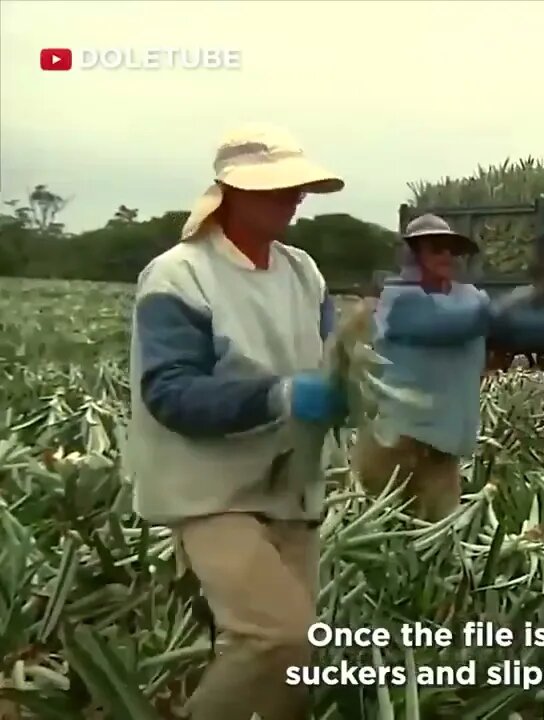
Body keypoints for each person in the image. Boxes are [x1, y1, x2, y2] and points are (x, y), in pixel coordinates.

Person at [125, 123, 348, 720]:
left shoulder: (303, 271)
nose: (293, 199)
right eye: (276, 188)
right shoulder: (180, 274)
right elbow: (170, 393)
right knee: (275, 636)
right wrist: (279, 396)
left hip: (290, 483)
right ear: (229, 190)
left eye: (297, 188)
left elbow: (327, 361)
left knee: (296, 661)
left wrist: (348, 389)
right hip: (209, 489)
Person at [352, 213, 544, 521]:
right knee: (381, 531)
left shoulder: (470, 297)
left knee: (438, 538)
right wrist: (523, 295)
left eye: (452, 249)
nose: (446, 255)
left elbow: (509, 331)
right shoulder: (399, 301)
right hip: (396, 442)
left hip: (445, 445)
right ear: (413, 254)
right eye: (436, 248)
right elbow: (455, 325)